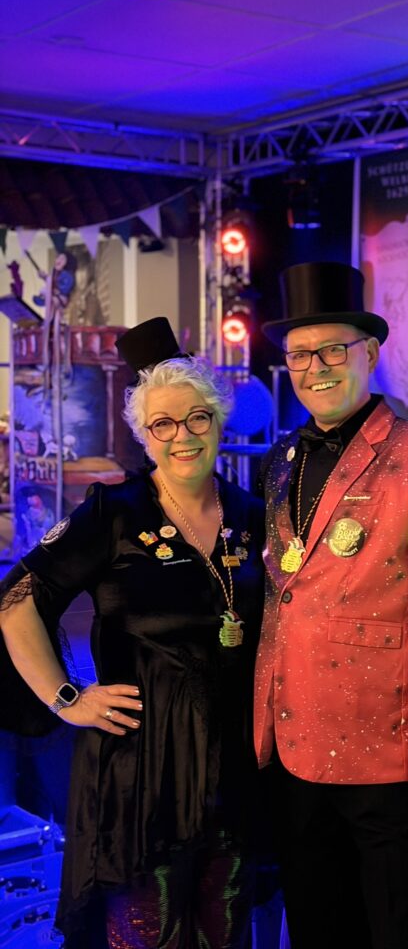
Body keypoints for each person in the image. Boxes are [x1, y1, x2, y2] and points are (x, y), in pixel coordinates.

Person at [0, 317, 266, 948]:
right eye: (162, 424)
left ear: (219, 421)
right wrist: (66, 697)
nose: (182, 436)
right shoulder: (112, 514)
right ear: (144, 435)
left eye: (197, 418)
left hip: (234, 768)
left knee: (227, 933)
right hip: (139, 774)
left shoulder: (252, 514)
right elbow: (16, 602)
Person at [255, 261, 408, 949]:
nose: (315, 368)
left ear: (371, 353)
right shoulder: (282, 459)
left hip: (387, 755)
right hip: (293, 749)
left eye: (333, 349)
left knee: (396, 931)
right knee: (316, 929)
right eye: (300, 354)